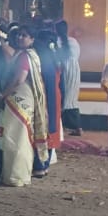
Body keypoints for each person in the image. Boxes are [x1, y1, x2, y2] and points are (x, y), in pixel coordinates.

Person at [0, 27, 50, 187]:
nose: (20, 37)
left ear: (32, 39)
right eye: (18, 34)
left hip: (19, 97)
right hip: (22, 96)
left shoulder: (25, 56)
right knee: (20, 136)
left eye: (24, 35)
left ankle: (16, 176)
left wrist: (3, 94)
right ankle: (17, 174)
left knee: (16, 136)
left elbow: (19, 79)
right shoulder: (27, 54)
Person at [33, 30, 63, 177]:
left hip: (44, 95)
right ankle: (45, 164)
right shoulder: (55, 56)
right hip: (55, 96)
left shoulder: (40, 56)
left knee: (41, 126)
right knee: (51, 129)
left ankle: (39, 164)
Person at [56, 20, 83, 136]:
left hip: (63, 70)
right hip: (74, 71)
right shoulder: (73, 42)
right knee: (71, 99)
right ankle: (75, 127)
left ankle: (71, 127)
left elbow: (57, 59)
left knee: (65, 98)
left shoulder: (57, 42)